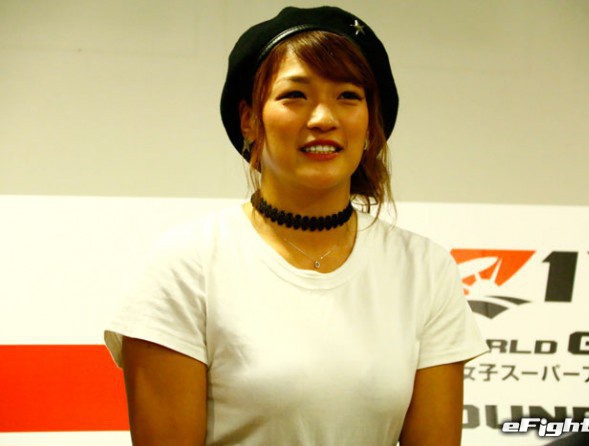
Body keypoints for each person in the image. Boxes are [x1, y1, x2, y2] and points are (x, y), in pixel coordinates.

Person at [105, 6, 488, 446]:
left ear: (370, 123)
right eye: (295, 95)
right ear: (249, 119)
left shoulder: (424, 269)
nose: (323, 118)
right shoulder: (187, 264)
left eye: (348, 96)